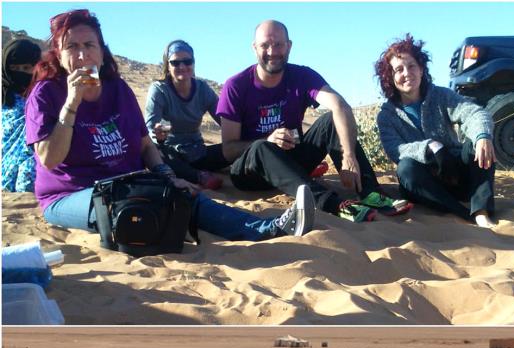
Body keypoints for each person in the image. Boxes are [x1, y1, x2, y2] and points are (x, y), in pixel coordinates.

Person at [24, 9, 314, 245]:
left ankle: (269, 228)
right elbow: (49, 159)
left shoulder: (118, 90)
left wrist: (166, 175)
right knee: (134, 204)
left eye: (89, 45)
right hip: (70, 195)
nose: (82, 55)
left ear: (101, 52)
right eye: (71, 47)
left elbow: (144, 145)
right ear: (59, 55)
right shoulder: (46, 94)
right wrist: (71, 104)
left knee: (181, 194)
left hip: (128, 182)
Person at [217, 20, 411, 223]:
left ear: (289, 46)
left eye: (279, 44)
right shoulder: (236, 86)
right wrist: (268, 140)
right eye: (265, 45)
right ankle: (332, 204)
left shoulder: (301, 76)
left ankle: (369, 192)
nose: (272, 51)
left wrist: (349, 154)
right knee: (260, 147)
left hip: (293, 161)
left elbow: (340, 106)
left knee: (330, 120)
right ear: (254, 47)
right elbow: (228, 150)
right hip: (250, 173)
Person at [374, 35, 497, 228]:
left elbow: (474, 112)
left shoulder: (440, 96)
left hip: (457, 174)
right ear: (390, 77)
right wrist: (430, 147)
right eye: (398, 69)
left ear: (421, 69)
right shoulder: (387, 116)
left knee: (479, 142)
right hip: (426, 185)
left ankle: (481, 211)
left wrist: (482, 135)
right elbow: (394, 150)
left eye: (412, 66)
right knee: (405, 168)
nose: (407, 73)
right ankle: (462, 213)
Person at [145, 40, 227, 191]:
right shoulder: (159, 90)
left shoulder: (202, 89)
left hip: (198, 152)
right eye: (175, 63)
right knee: (153, 153)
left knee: (234, 149)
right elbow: (150, 130)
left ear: (194, 63)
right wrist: (158, 134)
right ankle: (199, 177)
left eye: (187, 61)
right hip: (170, 152)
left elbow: (224, 120)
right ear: (167, 66)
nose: (182, 67)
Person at [2, 38, 42, 193]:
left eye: (26, 68)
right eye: (14, 67)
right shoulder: (3, 95)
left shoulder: (42, 93)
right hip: (5, 163)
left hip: (34, 157)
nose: (20, 72)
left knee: (26, 184)